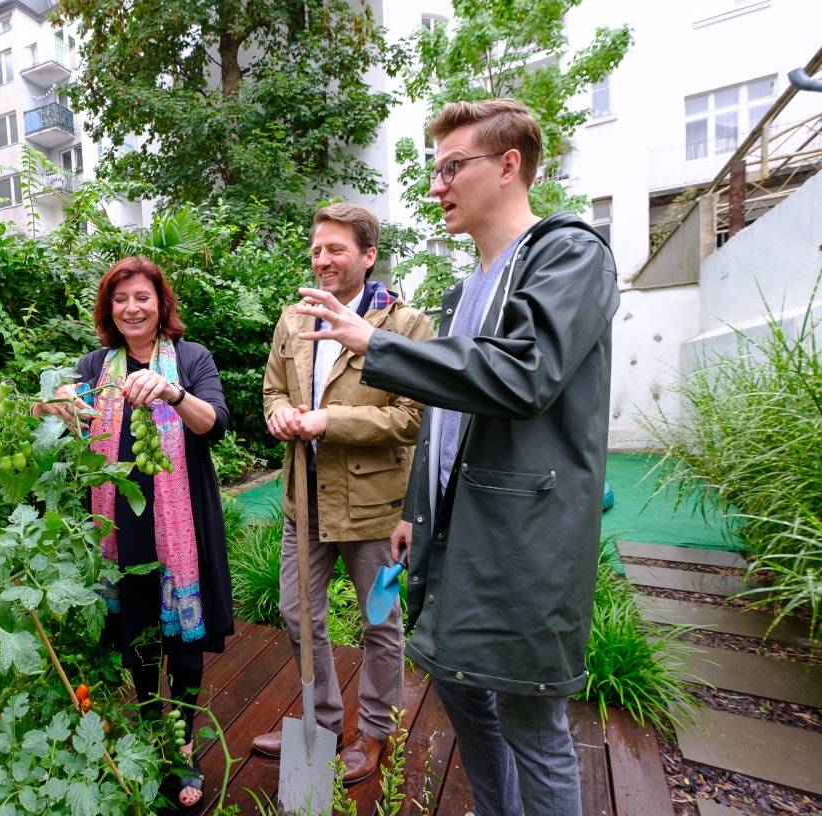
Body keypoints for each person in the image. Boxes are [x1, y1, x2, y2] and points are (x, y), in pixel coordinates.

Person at [296, 99, 619, 815]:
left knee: (533, 719)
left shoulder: (569, 254)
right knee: (460, 687)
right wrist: (415, 507)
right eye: (435, 170)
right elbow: (445, 416)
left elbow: (523, 373)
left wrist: (376, 345)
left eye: (452, 167)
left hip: (522, 533)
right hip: (451, 524)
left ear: (509, 166)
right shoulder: (465, 285)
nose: (437, 186)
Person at [33, 256, 233, 811]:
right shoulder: (96, 365)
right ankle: (151, 733)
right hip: (121, 522)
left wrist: (171, 393)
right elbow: (53, 412)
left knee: (185, 637)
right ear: (109, 309)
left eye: (142, 297)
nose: (132, 308)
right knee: (137, 630)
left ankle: (185, 742)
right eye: (121, 299)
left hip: (183, 519)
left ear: (160, 303)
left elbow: (214, 423)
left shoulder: (191, 359)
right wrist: (53, 405)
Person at [252, 203, 434, 783]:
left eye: (335, 249)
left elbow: (411, 419)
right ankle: (322, 723)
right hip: (303, 504)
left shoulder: (405, 327)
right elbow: (273, 392)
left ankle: (376, 732)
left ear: (368, 255)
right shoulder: (292, 320)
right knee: (297, 613)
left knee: (381, 621)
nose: (322, 259)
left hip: (379, 516)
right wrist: (282, 416)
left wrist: (328, 420)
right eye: (316, 249)